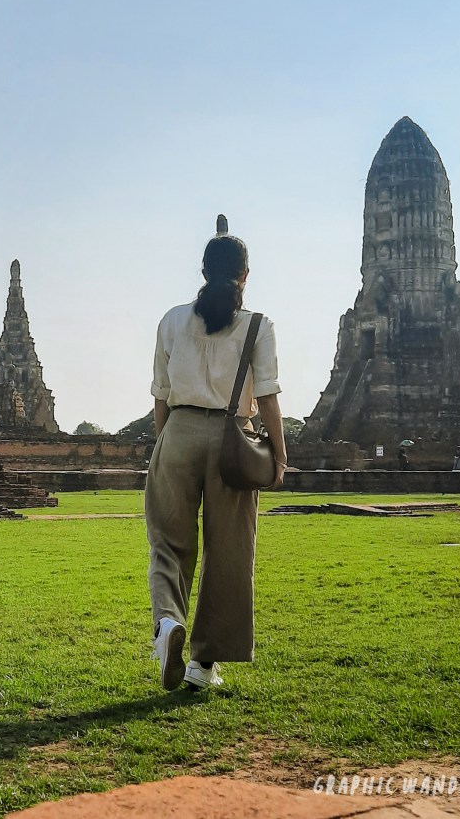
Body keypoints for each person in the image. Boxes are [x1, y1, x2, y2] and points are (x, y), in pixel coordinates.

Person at [145, 234, 286, 692]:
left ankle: (168, 624)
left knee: (169, 544)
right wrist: (279, 455)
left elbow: (161, 398)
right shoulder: (257, 326)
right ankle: (202, 664)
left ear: (202, 271)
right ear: (246, 275)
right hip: (233, 441)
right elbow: (266, 397)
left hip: (179, 433)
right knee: (228, 554)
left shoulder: (171, 321)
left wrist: (163, 445)